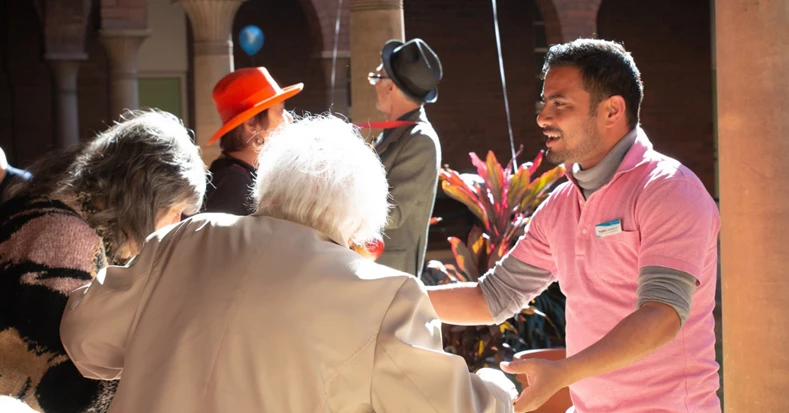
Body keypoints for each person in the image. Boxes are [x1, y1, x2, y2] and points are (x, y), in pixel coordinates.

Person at [60, 115, 518, 413]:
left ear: (269, 184)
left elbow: (85, 340)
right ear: (361, 218)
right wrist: (500, 385)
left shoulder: (186, 236)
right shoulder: (383, 295)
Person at [427, 39, 721, 413]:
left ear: (612, 110)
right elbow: (492, 298)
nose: (543, 117)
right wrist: (395, 296)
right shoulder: (562, 206)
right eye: (545, 102)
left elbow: (661, 316)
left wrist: (563, 372)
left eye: (560, 103)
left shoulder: (669, 190)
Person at [0, 110, 206, 412]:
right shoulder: (65, 239)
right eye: (176, 210)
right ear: (142, 193)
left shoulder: (66, 219)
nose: (177, 223)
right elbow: (55, 380)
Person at [368, 38, 442, 277]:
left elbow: (392, 212)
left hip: (389, 274)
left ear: (390, 87)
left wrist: (334, 196)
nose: (372, 84)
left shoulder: (421, 140)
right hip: (373, 268)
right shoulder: (398, 132)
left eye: (376, 78)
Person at [203, 67, 301, 215]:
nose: (289, 118)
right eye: (280, 111)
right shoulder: (231, 184)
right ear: (251, 124)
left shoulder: (239, 175)